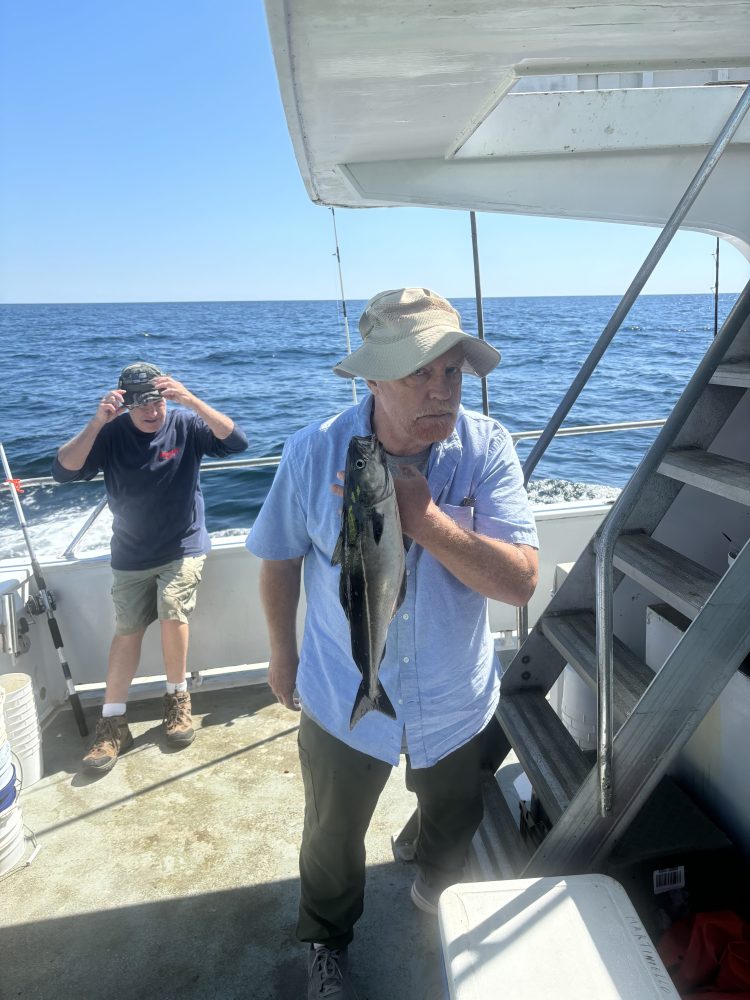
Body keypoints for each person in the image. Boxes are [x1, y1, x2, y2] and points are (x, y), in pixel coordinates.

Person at [247, 287, 539, 1000]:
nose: (442, 390)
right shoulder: (313, 452)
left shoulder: (488, 448)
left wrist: (430, 521)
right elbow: (281, 558)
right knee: (332, 835)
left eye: (453, 372)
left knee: (455, 815)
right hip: (339, 687)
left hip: (454, 694)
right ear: (371, 376)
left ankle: (435, 891)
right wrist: (281, 654)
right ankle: (326, 937)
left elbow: (521, 582)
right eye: (419, 372)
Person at [53, 362, 248, 773]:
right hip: (130, 554)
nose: (151, 410)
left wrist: (191, 400)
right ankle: (112, 722)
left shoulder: (185, 425)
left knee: (172, 612)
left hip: (183, 545)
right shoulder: (110, 434)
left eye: (157, 399)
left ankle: (178, 701)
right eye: (140, 402)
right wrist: (96, 421)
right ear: (124, 403)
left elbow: (236, 442)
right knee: (127, 632)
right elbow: (63, 472)